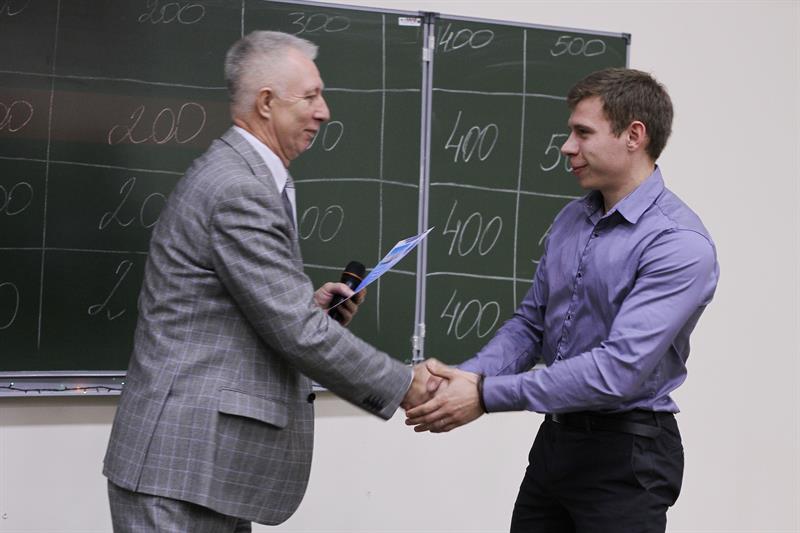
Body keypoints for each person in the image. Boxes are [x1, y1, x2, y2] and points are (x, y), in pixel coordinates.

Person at [103, 31, 431, 532]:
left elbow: (248, 310)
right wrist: (406, 385)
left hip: (208, 470)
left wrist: (309, 306)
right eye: (311, 96)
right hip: (183, 467)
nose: (324, 112)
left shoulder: (249, 177)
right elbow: (296, 332)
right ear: (265, 103)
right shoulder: (240, 189)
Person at [406, 68, 719, 532]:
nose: (567, 147)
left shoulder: (678, 243)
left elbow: (616, 371)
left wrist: (485, 395)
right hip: (556, 443)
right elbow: (530, 325)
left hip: (627, 458)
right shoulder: (572, 219)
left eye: (583, 133)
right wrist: (470, 376)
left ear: (634, 136)